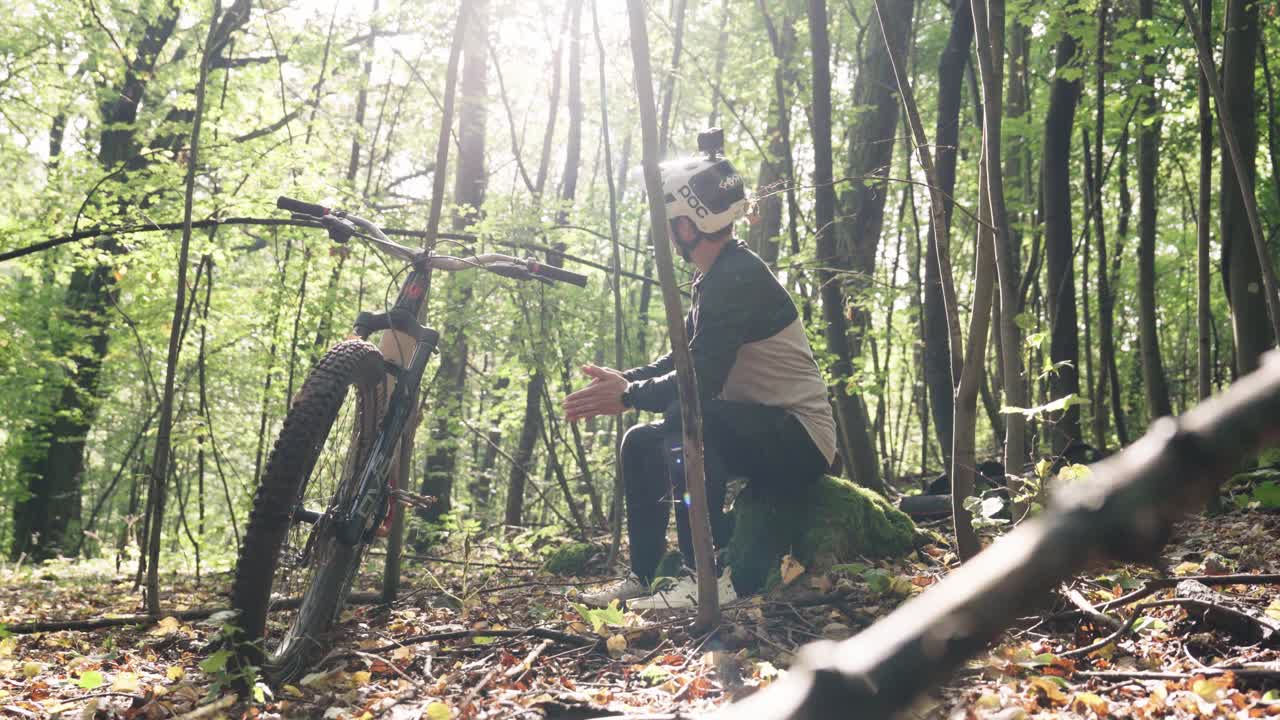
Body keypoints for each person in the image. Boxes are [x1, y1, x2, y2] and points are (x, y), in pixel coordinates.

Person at [564, 129, 837, 609]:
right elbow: (686, 359)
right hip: (761, 428)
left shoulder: (735, 277)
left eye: (668, 222)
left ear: (688, 226)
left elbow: (699, 385)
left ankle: (705, 577)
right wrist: (627, 381)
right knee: (641, 442)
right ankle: (645, 575)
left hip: (802, 439)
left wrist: (628, 397)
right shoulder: (717, 275)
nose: (665, 233)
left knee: (688, 417)